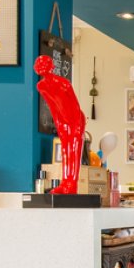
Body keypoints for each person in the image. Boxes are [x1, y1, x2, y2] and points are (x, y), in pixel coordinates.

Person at [35, 54, 85, 193]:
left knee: (73, 150)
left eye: (44, 64)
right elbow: (52, 106)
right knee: (65, 151)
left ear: (51, 66)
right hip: (62, 120)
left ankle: (72, 184)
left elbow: (74, 105)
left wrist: (75, 124)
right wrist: (59, 122)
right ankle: (65, 182)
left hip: (75, 118)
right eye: (39, 64)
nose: (41, 67)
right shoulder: (41, 86)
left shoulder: (63, 83)